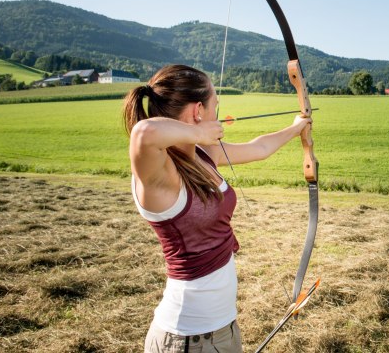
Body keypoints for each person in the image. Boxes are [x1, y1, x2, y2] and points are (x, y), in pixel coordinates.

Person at [122, 65, 310, 353]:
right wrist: (196, 132)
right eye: (215, 107)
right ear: (198, 111)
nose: (217, 116)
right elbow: (143, 133)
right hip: (186, 339)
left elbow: (259, 148)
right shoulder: (160, 174)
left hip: (223, 331)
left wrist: (298, 126)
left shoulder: (202, 155)